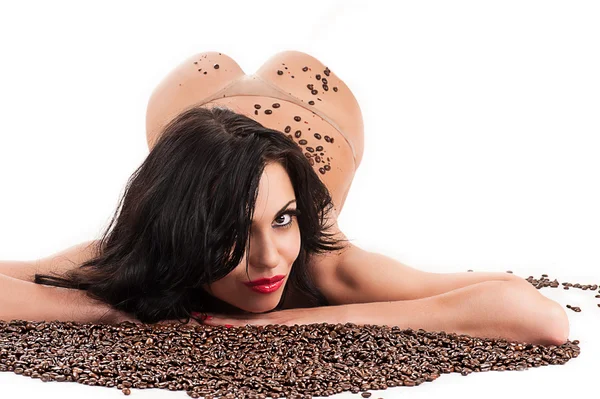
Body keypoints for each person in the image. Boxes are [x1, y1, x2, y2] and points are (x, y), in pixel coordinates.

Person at [0, 51, 569, 345]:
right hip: (199, 134)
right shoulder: (141, 255)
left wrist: (288, 326)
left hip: (314, 134)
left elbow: (537, 316)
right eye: (230, 230)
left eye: (282, 221)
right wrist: (122, 314)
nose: (270, 260)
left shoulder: (326, 260)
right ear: (181, 230)